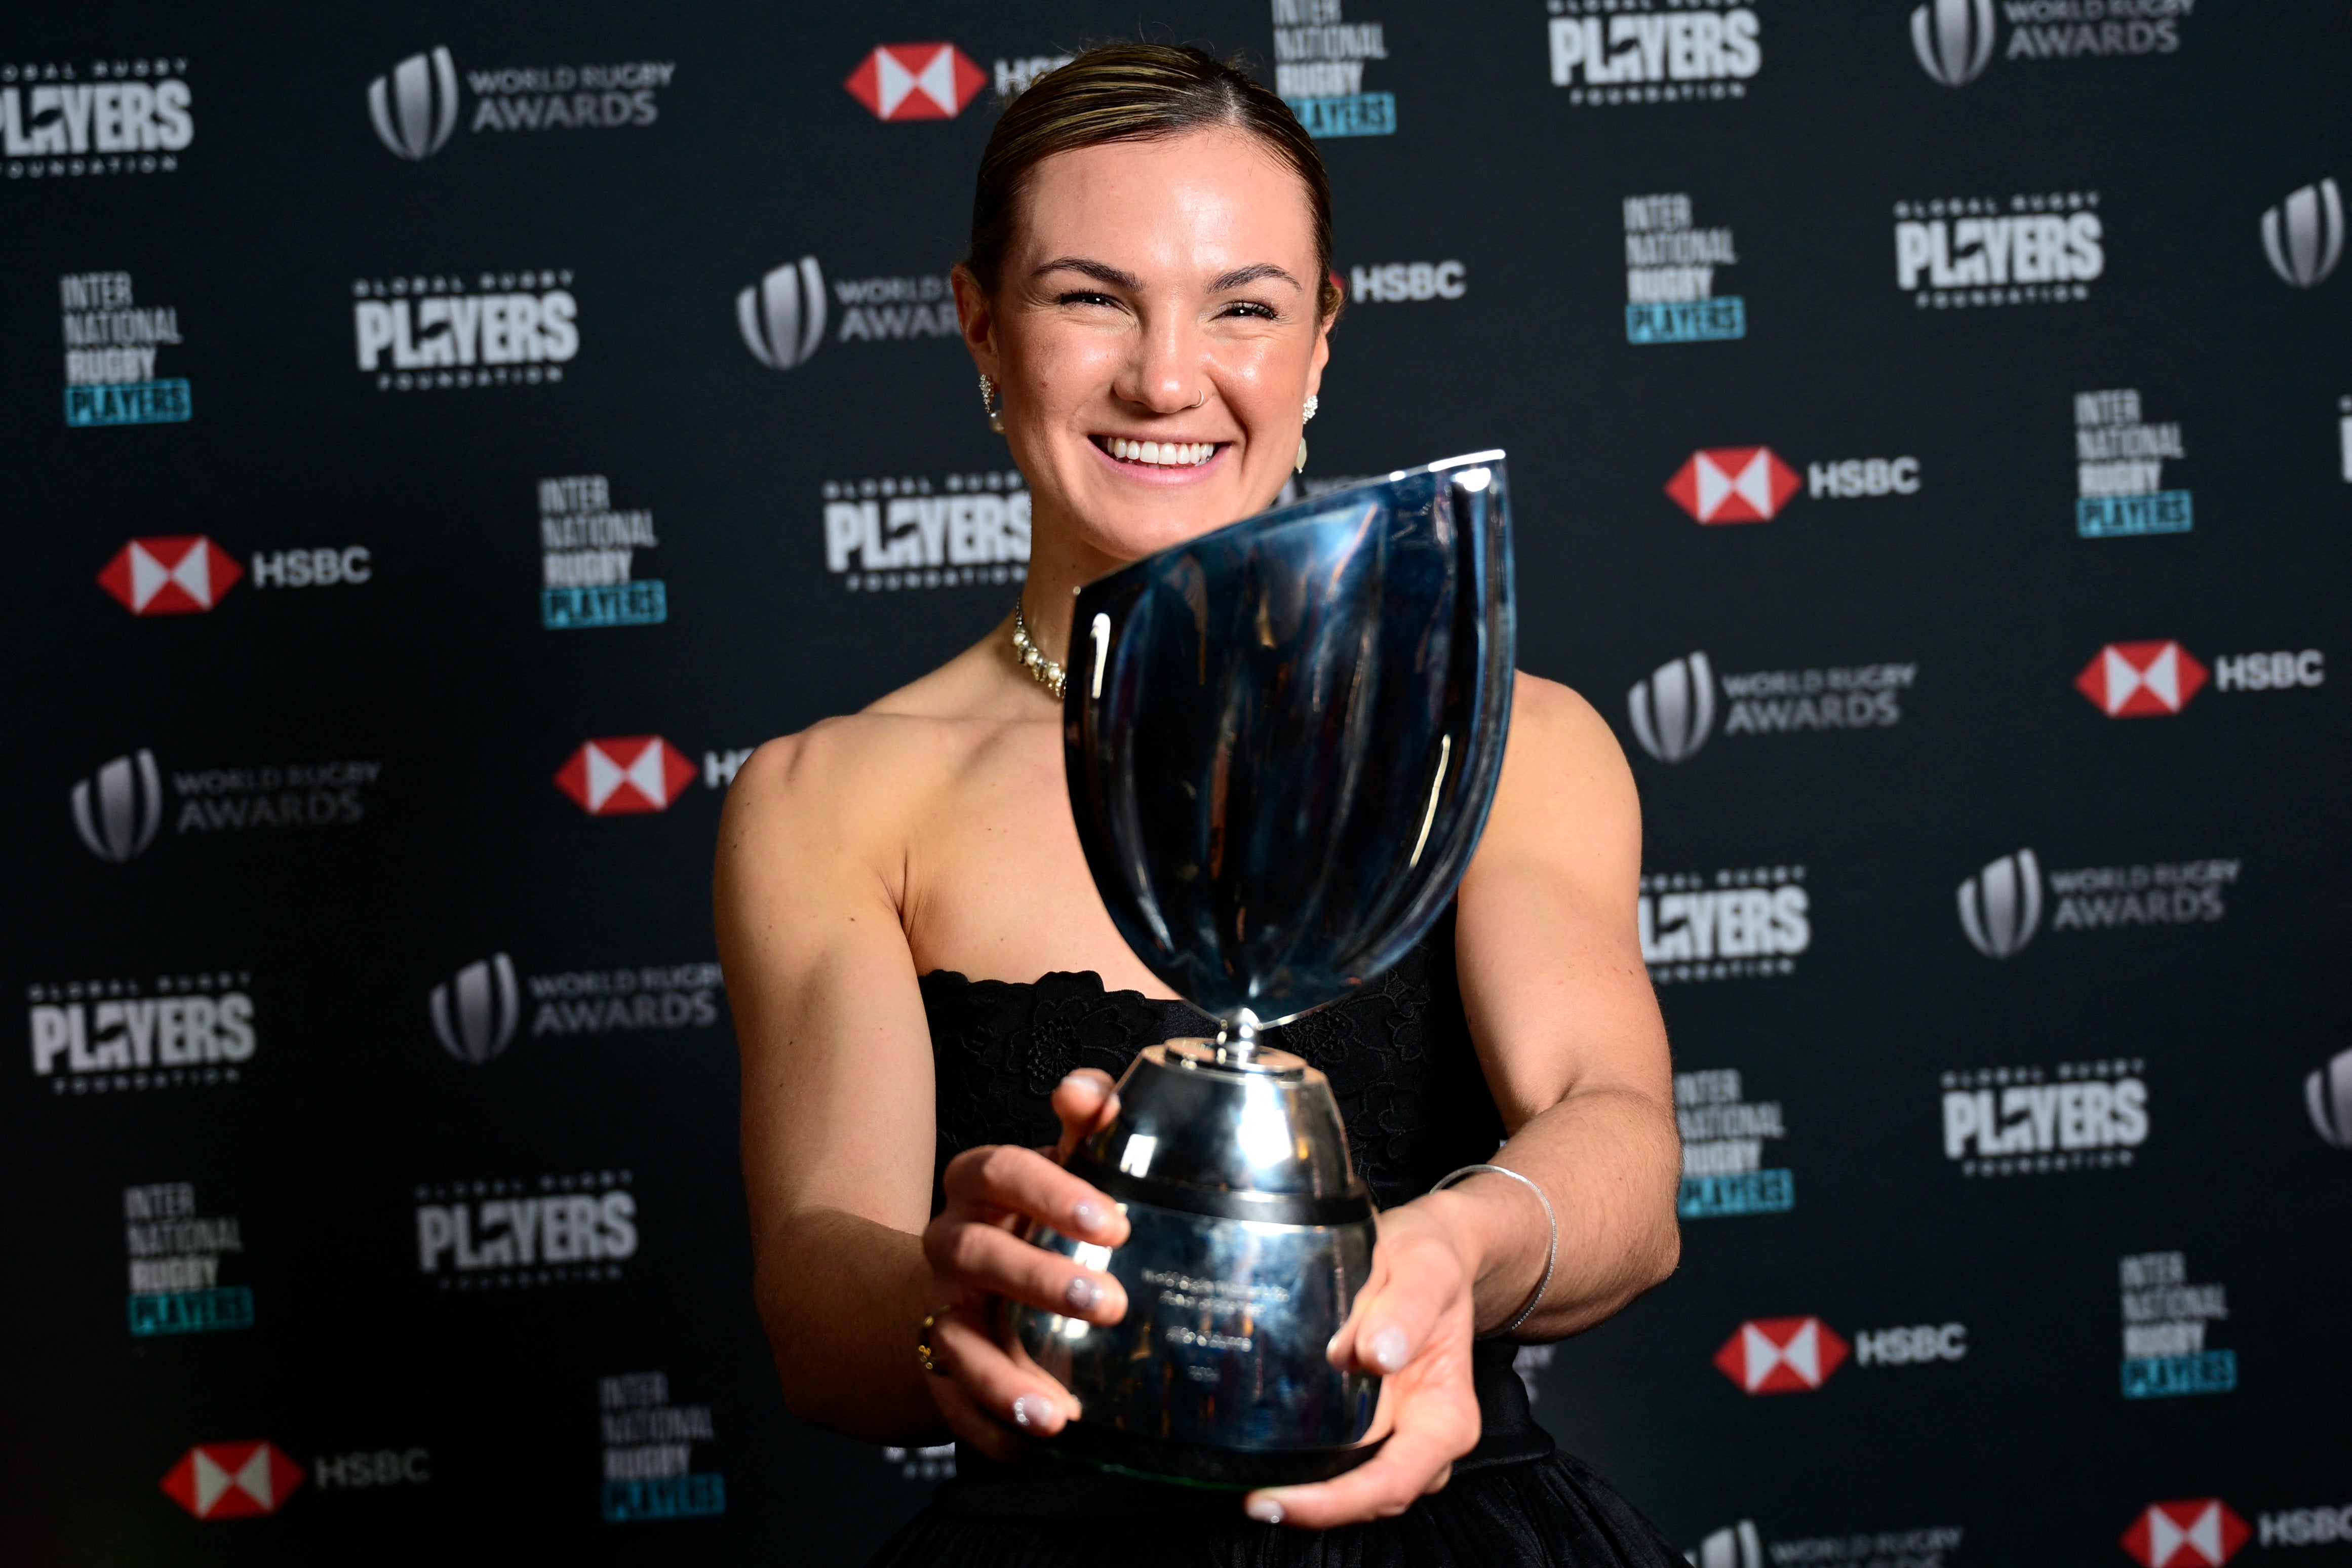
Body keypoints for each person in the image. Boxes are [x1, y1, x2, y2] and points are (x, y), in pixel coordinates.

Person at [715, 43, 1683, 1567]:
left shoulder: (1501, 742)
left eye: (1244, 306)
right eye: (1090, 297)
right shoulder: (830, 795)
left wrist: (1454, 1250)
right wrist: (956, 1286)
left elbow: (1620, 1154)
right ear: (979, 327)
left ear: (1318, 343)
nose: (1169, 379)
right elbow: (813, 1310)